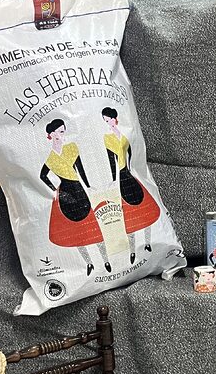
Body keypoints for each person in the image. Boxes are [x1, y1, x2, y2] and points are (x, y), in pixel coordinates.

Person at [40, 118, 110, 276]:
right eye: (61, 131)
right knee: (76, 231)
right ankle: (89, 263)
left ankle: (106, 260)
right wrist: (55, 191)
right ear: (52, 134)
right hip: (65, 192)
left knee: (93, 226)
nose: (63, 134)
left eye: (64, 131)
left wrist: (88, 186)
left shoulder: (71, 148)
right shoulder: (50, 158)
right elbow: (42, 176)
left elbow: (80, 169)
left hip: (79, 190)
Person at [102, 107, 160, 264]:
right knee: (130, 217)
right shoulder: (108, 138)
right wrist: (114, 181)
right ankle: (133, 251)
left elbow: (132, 156)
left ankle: (148, 243)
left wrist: (136, 172)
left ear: (114, 119)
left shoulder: (124, 135)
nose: (108, 123)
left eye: (108, 119)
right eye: (105, 121)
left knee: (145, 211)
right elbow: (111, 161)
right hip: (121, 179)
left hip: (132, 176)